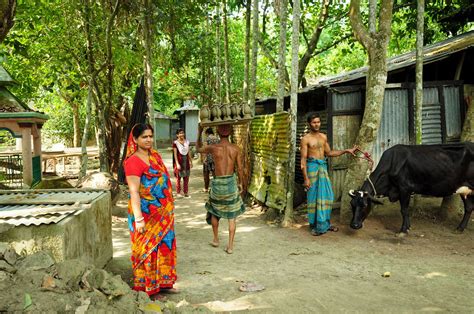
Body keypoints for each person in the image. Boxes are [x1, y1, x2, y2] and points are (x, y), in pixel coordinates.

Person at [123, 123, 177, 297]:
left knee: (164, 246)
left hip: (163, 215)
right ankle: (149, 288)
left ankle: (164, 282)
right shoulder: (132, 162)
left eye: (150, 136)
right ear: (136, 139)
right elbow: (134, 191)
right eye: (144, 137)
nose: (148, 140)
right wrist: (139, 219)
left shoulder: (155, 156)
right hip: (145, 215)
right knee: (148, 250)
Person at [300, 113, 358, 236]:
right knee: (314, 198)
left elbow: (329, 153)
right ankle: (316, 226)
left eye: (318, 122)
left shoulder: (323, 137)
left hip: (323, 168)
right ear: (309, 124)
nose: (317, 124)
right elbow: (303, 160)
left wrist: (346, 150)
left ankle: (325, 223)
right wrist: (306, 178)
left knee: (327, 196)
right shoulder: (305, 139)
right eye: (314, 122)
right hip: (312, 168)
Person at [196, 123, 245, 254]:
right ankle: (230, 246)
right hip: (230, 183)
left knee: (214, 211)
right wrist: (240, 183)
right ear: (231, 131)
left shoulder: (214, 148)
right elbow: (240, 168)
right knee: (232, 215)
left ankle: (216, 239)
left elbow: (198, 148)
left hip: (218, 183)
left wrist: (200, 131)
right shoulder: (235, 149)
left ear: (217, 130)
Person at [173, 128, 193, 198]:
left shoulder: (187, 142)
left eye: (182, 133)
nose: (182, 134)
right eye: (180, 133)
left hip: (186, 162)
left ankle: (186, 192)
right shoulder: (175, 143)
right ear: (177, 135)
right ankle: (178, 192)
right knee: (178, 178)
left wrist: (191, 161)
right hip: (179, 162)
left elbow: (188, 152)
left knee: (186, 178)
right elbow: (175, 154)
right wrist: (177, 163)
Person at [202, 128, 220, 193]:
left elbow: (205, 149)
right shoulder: (217, 139)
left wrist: (204, 158)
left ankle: (206, 188)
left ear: (207, 133)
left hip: (208, 158)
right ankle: (216, 188)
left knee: (206, 174)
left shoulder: (207, 139)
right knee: (215, 174)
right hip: (215, 158)